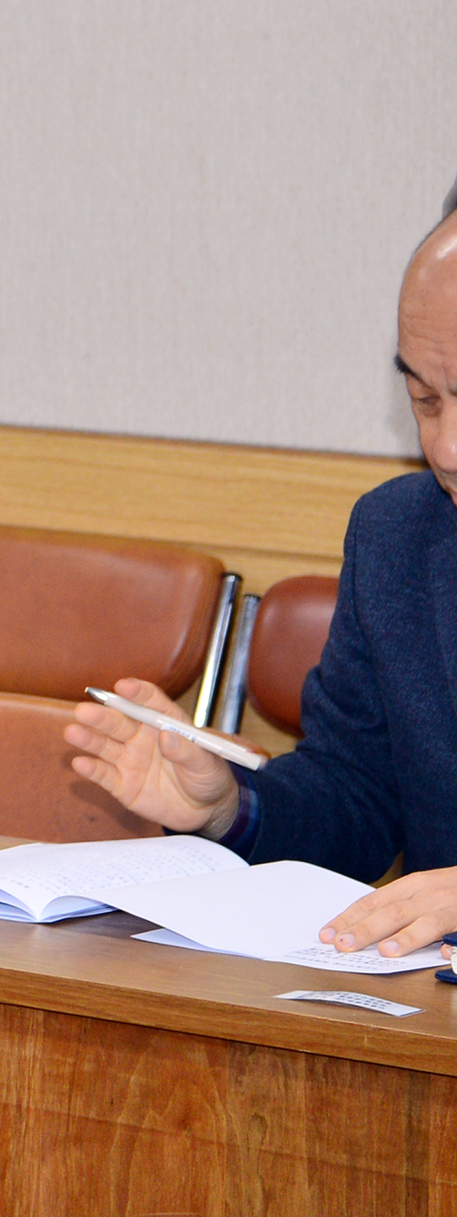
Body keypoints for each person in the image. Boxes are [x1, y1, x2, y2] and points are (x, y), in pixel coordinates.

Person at [65, 196, 457, 957]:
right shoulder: (399, 537)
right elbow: (359, 794)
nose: (443, 448)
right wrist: (226, 808)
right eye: (424, 400)